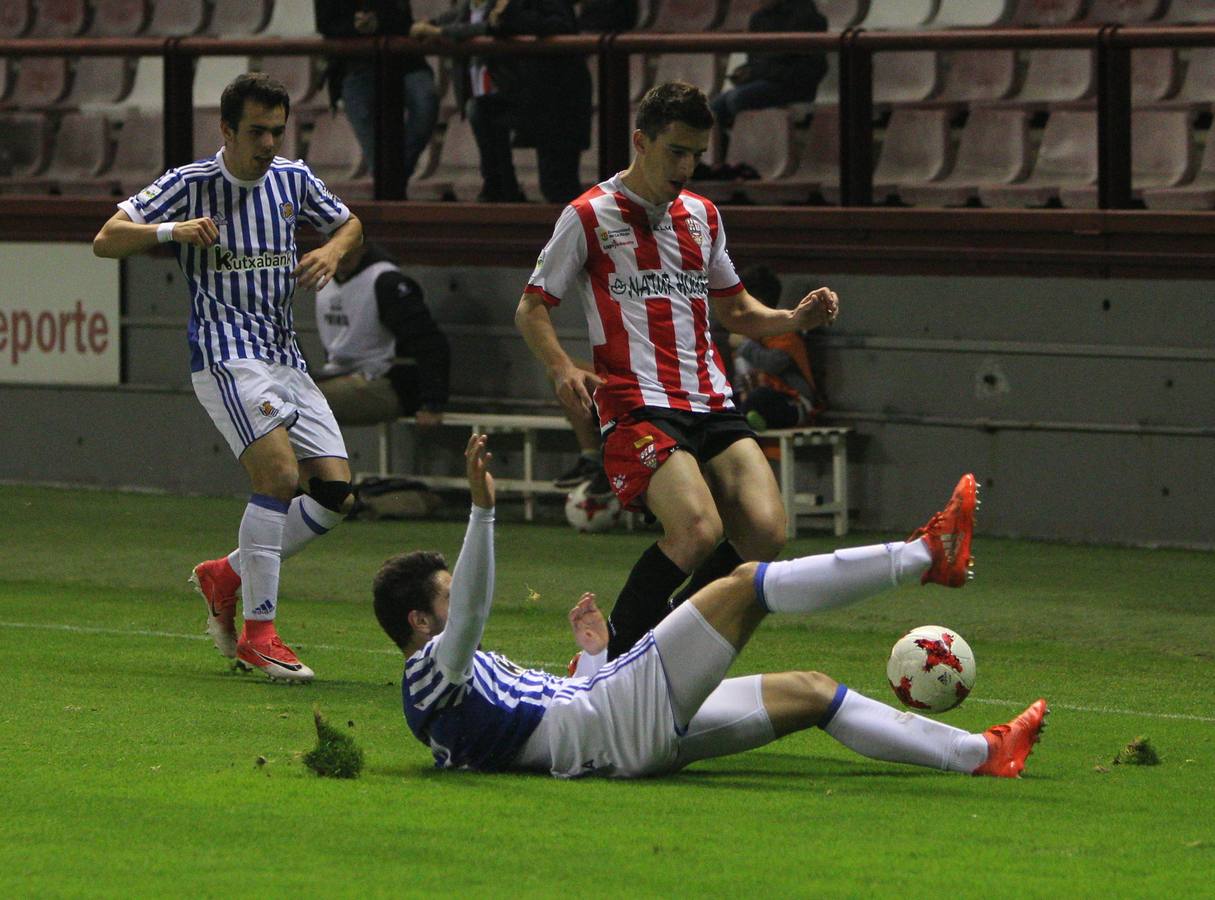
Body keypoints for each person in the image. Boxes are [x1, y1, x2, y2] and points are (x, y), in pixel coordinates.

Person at [373, 434, 1050, 780]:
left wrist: (592, 654)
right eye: (445, 592)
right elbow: (471, 620)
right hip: (615, 718)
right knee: (744, 583)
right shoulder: (428, 674)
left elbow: (545, 736)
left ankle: (982, 754)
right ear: (420, 622)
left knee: (811, 693)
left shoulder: (440, 693)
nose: (458, 595)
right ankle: (926, 557)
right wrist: (482, 513)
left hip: (614, 733)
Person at [515, 81, 840, 660]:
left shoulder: (703, 217)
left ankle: (673, 641)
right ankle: (609, 659)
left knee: (766, 534)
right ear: (641, 141)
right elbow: (532, 306)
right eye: (676, 151)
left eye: (696, 154)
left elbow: (737, 310)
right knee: (697, 529)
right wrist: (561, 366)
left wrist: (794, 317)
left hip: (711, 401)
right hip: (638, 403)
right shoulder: (589, 216)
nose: (687, 167)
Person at [92, 73, 364, 683]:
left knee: (336, 497)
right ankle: (259, 634)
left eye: (277, 130)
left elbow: (351, 223)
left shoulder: (293, 179)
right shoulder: (191, 186)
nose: (268, 143)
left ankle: (226, 574)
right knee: (278, 476)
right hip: (225, 353)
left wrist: (332, 250)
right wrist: (171, 231)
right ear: (226, 130)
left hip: (284, 354)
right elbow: (106, 240)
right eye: (257, 131)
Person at [412, 0, 592, 204]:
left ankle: (588, 231)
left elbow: (560, 25)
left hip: (559, 94)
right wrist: (434, 25)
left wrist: (508, 21)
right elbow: (479, 17)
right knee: (480, 109)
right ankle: (500, 187)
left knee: (557, 185)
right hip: (528, 92)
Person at [314, 241, 450, 427]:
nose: (342, 255)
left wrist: (433, 404)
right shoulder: (326, 280)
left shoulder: (385, 282)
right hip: (340, 375)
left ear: (363, 247)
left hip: (387, 382)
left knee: (299, 402)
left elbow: (430, 343)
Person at [314, 0, 440, 197]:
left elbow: (402, 18)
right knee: (373, 142)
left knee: (426, 102)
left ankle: (393, 181)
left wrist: (378, 23)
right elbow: (325, 24)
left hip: (404, 60)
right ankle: (392, 188)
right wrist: (355, 27)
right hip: (354, 65)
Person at [711, 0, 829, 157]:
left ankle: (753, 156)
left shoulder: (807, 18)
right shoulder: (759, 19)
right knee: (713, 108)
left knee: (736, 99)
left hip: (794, 86)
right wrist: (746, 73)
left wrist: (759, 72)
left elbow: (811, 69)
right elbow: (755, 61)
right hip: (764, 81)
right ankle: (720, 163)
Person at [730, 264, 824, 431]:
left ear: (757, 302)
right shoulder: (746, 334)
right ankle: (744, 420)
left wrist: (745, 345)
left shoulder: (783, 329)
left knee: (759, 398)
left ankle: (743, 423)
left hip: (793, 404)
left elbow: (775, 362)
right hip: (754, 402)